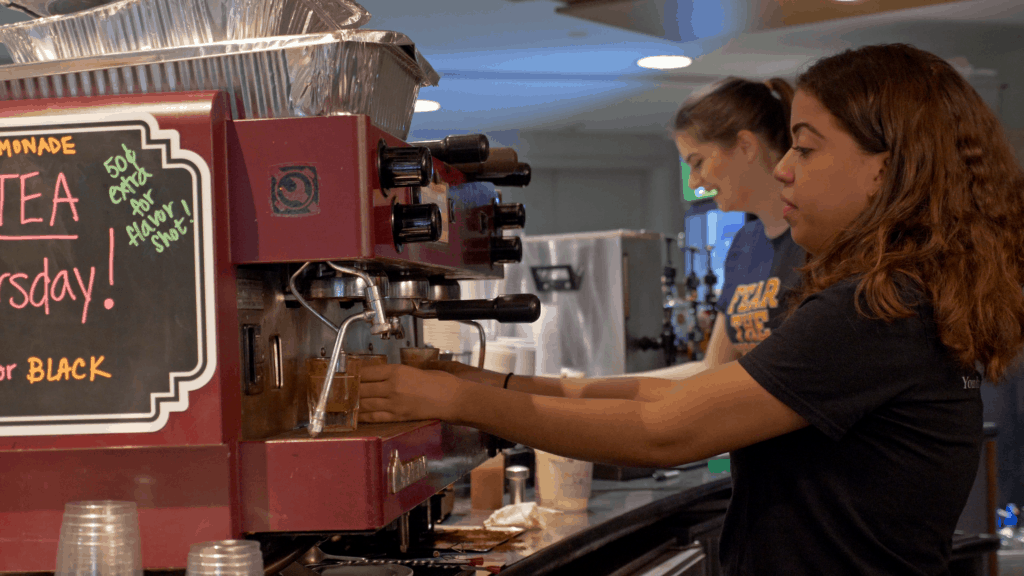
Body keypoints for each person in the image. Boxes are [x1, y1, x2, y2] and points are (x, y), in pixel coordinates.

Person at [359, 43, 1024, 574]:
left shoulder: (873, 312)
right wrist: (485, 384)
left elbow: (667, 430)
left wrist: (458, 400)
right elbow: (681, 401)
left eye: (807, 147)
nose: (785, 167)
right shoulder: (903, 300)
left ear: (886, 168)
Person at [644, 76, 805, 380]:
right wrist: (599, 386)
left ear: (745, 146)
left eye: (698, 162)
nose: (693, 182)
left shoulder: (814, 239)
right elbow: (713, 367)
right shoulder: (745, 243)